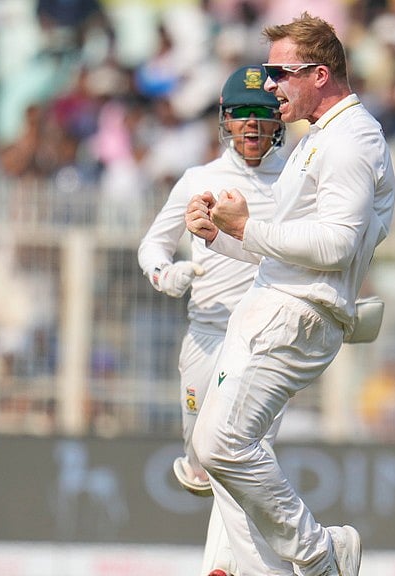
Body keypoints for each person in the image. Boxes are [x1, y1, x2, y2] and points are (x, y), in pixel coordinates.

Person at [184, 12, 395, 576]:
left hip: (299, 313)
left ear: (320, 74)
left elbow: (334, 247)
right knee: (219, 446)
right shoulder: (318, 137)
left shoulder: (351, 139)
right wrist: (219, 236)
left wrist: (244, 228)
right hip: (270, 302)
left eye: (281, 74)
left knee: (226, 443)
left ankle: (320, 555)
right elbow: (283, 241)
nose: (270, 86)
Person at [137, 64, 287, 576]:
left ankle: (224, 567)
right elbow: (152, 246)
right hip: (205, 332)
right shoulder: (200, 180)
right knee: (204, 459)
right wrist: (166, 274)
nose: (252, 124)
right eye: (241, 113)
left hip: (265, 337)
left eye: (263, 114)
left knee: (238, 447)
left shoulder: (294, 179)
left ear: (278, 121)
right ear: (225, 120)